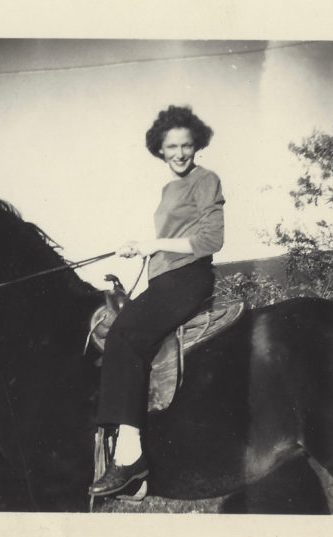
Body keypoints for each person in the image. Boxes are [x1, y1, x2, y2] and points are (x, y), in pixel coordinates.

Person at [89, 105, 225, 496]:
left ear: (196, 145)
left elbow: (210, 241)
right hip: (164, 278)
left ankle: (130, 459)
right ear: (160, 150)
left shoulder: (206, 179)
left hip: (188, 278)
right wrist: (144, 250)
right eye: (172, 147)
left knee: (126, 336)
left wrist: (152, 244)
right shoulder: (169, 189)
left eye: (187, 145)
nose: (180, 153)